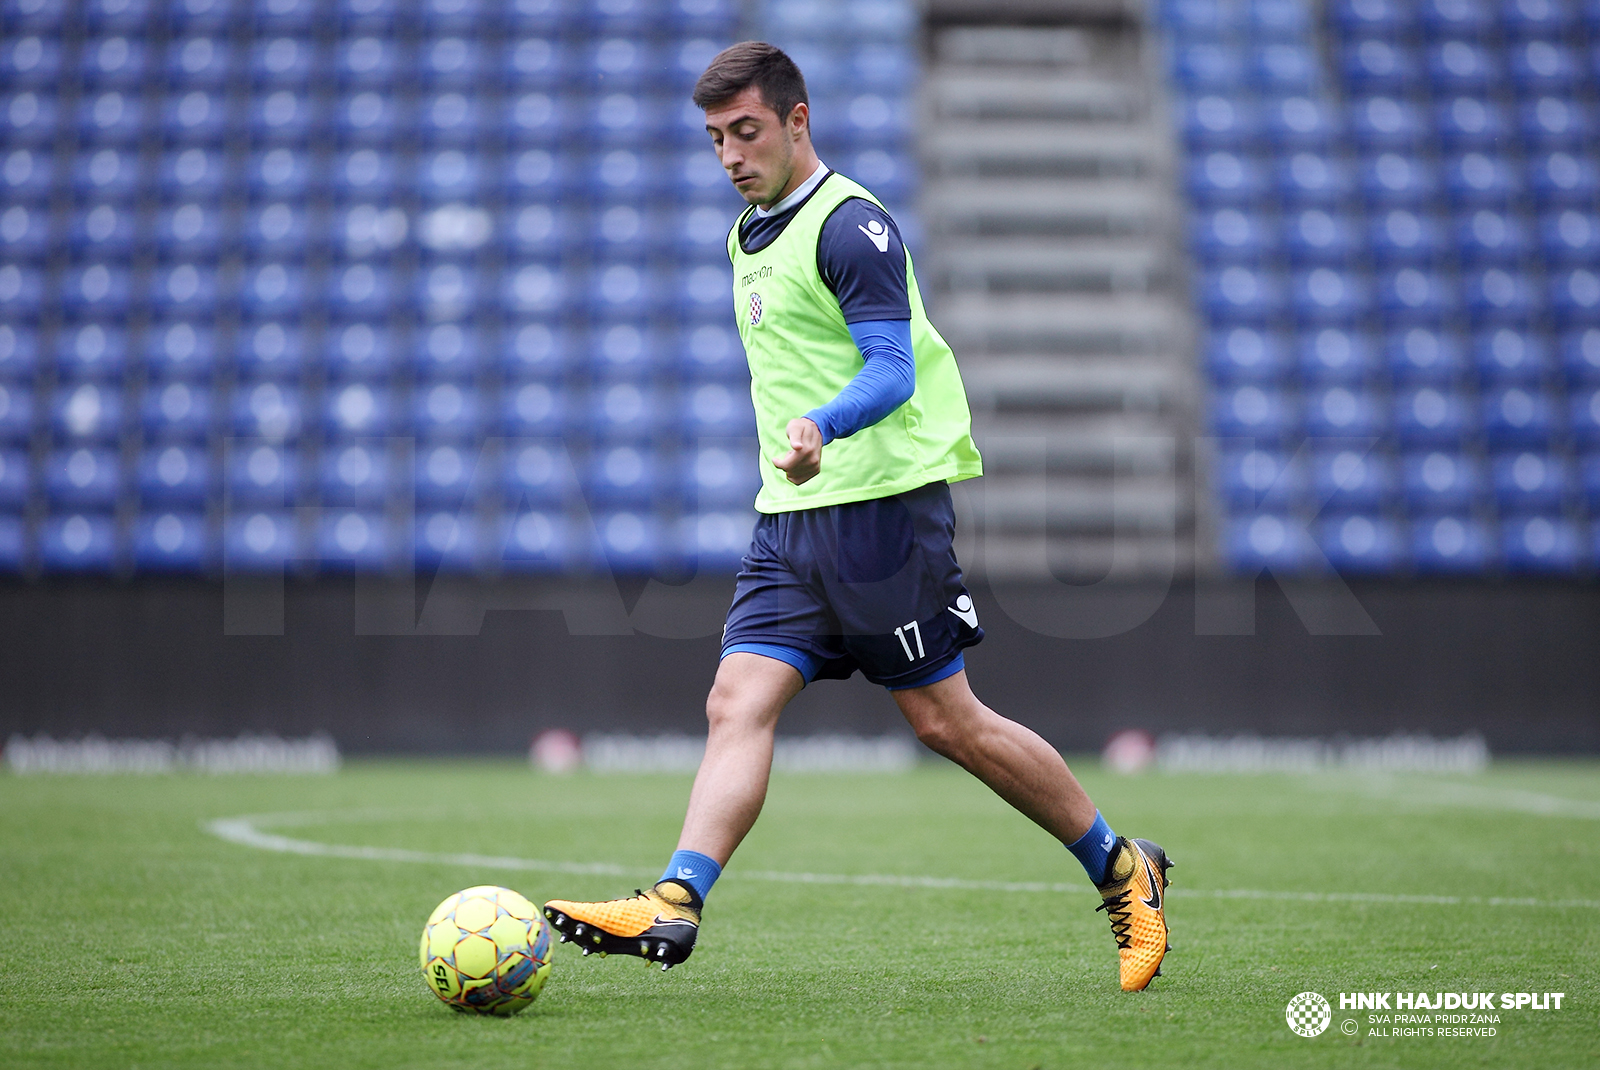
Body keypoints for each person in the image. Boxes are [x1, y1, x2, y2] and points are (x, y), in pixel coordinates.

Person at [543, 42, 1172, 992]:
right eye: (714, 138)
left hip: (879, 512)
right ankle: (674, 904)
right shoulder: (746, 233)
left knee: (948, 724)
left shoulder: (851, 226)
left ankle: (1125, 870)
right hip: (791, 522)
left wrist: (819, 428)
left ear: (798, 121)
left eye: (746, 132)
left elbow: (892, 368)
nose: (729, 156)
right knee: (735, 702)